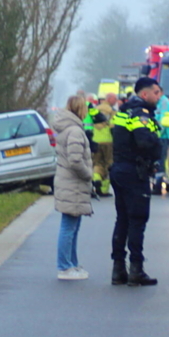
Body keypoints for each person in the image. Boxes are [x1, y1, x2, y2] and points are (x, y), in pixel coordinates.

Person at [109, 77, 163, 287]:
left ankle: (118, 269)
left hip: (120, 169)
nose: (159, 97)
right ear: (144, 94)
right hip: (135, 172)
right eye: (156, 93)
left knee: (122, 219)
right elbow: (144, 141)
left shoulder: (124, 111)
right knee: (137, 220)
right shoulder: (142, 114)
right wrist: (156, 143)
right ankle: (136, 269)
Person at [53, 95, 95, 280]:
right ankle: (64, 267)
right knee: (69, 226)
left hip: (68, 182)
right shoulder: (75, 132)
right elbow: (75, 160)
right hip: (73, 183)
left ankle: (72, 263)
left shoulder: (66, 129)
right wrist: (88, 174)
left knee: (73, 226)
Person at [92, 93, 116, 197]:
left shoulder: (95, 110)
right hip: (108, 141)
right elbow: (113, 126)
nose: (115, 101)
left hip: (96, 140)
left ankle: (96, 179)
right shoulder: (111, 111)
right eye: (115, 99)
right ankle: (104, 190)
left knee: (97, 163)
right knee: (108, 164)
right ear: (110, 99)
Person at [154, 87, 169, 194]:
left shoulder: (164, 102)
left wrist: (156, 134)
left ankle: (159, 185)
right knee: (159, 160)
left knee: (161, 160)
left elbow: (162, 121)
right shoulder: (159, 102)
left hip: (163, 136)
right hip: (161, 136)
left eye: (156, 92)